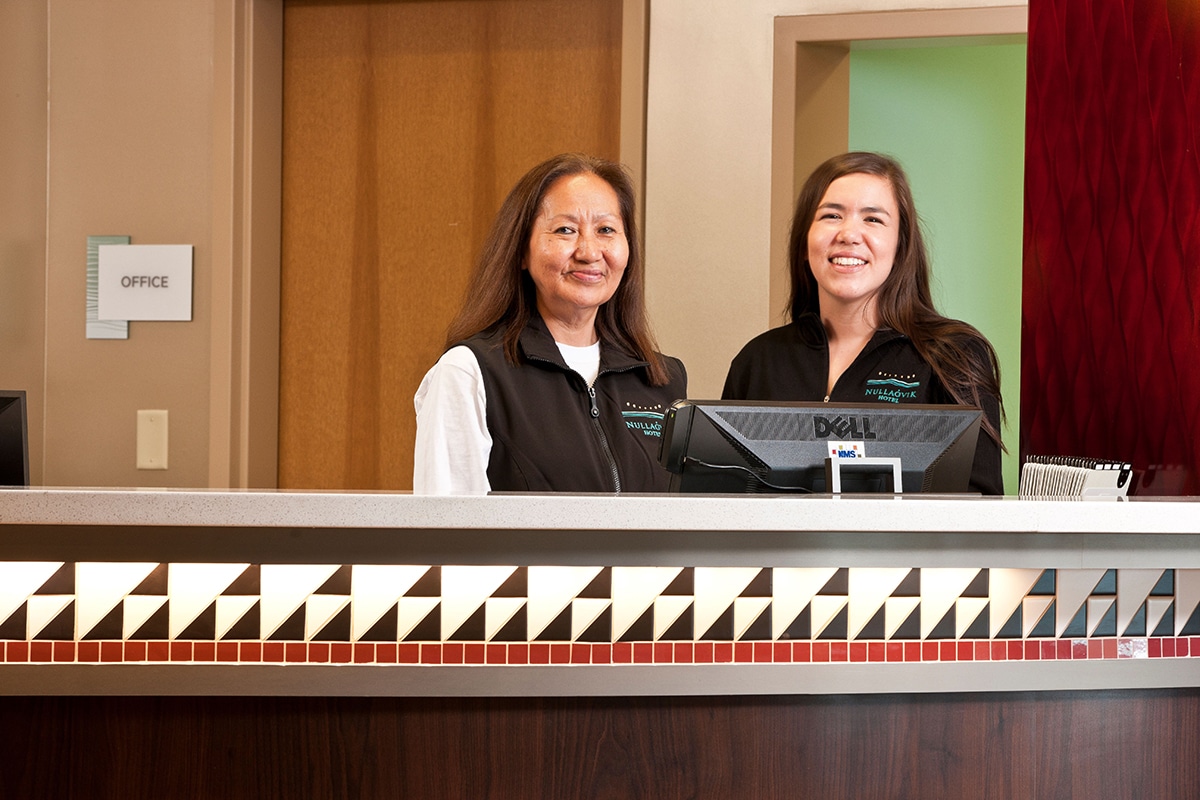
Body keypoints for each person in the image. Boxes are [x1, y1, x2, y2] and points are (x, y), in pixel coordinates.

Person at [722, 151, 1004, 494]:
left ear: (900, 245)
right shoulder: (759, 360)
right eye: (831, 215)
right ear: (804, 241)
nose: (849, 234)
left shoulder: (953, 355)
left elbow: (980, 504)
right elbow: (724, 501)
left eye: (873, 219)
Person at [413, 153, 687, 494]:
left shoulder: (663, 380)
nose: (589, 251)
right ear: (522, 252)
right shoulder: (469, 372)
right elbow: (445, 534)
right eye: (565, 230)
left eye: (606, 230)